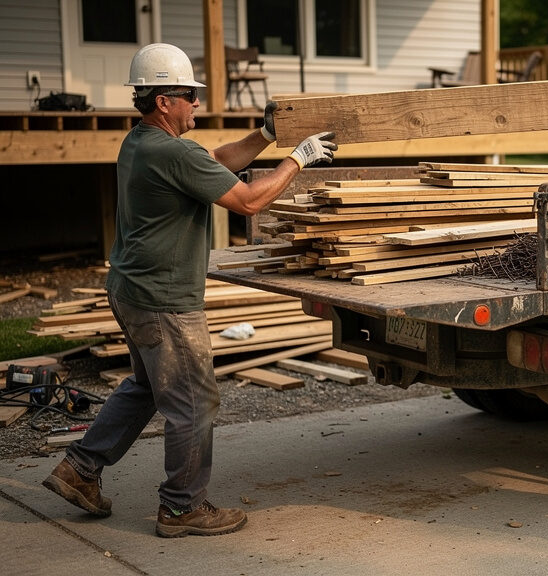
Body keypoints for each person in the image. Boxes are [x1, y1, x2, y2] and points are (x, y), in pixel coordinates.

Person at [41, 43, 338, 538]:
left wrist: (264, 135)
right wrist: (298, 159)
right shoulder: (171, 151)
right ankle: (182, 507)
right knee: (195, 402)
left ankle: (79, 469)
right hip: (163, 302)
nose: (197, 102)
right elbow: (247, 201)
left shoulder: (141, 142)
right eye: (190, 95)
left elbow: (216, 161)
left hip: (131, 290)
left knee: (145, 388)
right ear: (164, 100)